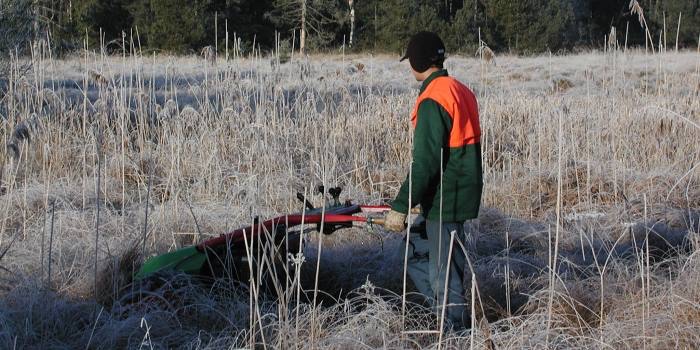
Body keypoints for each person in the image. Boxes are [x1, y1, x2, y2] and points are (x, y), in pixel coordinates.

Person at [383, 31, 483, 330]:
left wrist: (401, 205)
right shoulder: (459, 89)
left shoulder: (432, 98)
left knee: (443, 273)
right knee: (412, 252)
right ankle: (447, 317)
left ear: (415, 61)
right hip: (454, 191)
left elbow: (426, 163)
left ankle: (455, 333)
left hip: (446, 197)